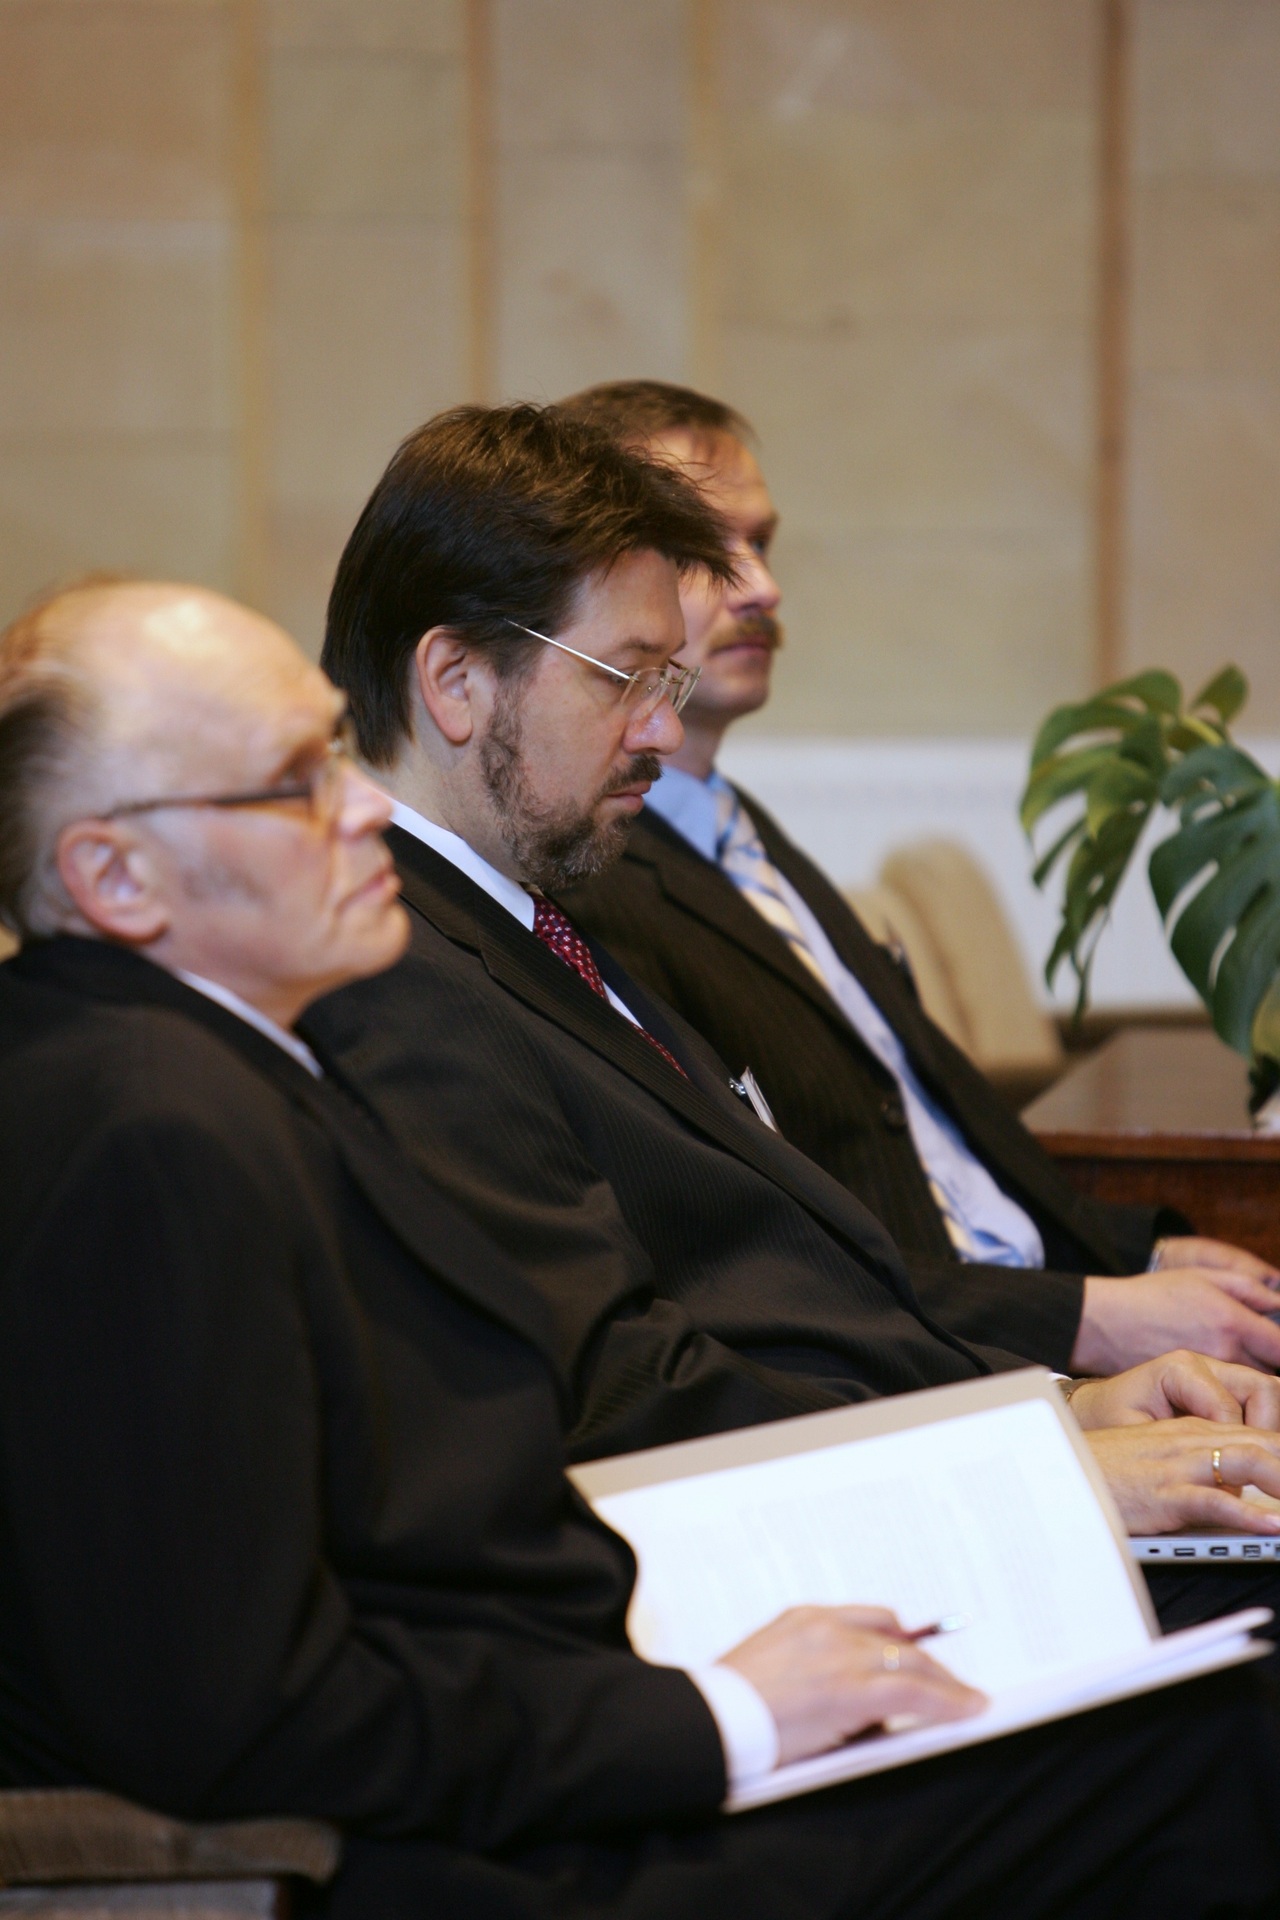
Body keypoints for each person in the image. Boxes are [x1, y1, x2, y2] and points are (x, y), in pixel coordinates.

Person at [6, 579, 1277, 1920]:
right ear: (114, 876)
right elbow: (244, 1709)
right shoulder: (146, 1134)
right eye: (291, 784)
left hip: (574, 1708)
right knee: (1214, 1740)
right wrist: (726, 1711)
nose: (363, 805)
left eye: (333, 753)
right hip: (489, 1848)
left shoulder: (203, 1067)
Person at [306, 402, 1280, 1640]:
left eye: (667, 682)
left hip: (906, 1476)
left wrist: (1060, 1405)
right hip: (800, 1577)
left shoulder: (527, 915)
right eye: (626, 678)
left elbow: (793, 1289)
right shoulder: (396, 973)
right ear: (455, 681)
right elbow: (628, 1393)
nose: (661, 729)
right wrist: (1045, 1460)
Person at [557, 378, 1280, 1382]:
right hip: (927, 1372)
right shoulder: (587, 882)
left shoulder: (734, 824)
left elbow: (939, 1148)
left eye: (761, 542)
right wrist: (1087, 1318)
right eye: (703, 552)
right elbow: (759, 1261)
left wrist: (1143, 1254)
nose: (761, 587)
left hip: (1010, 1313)